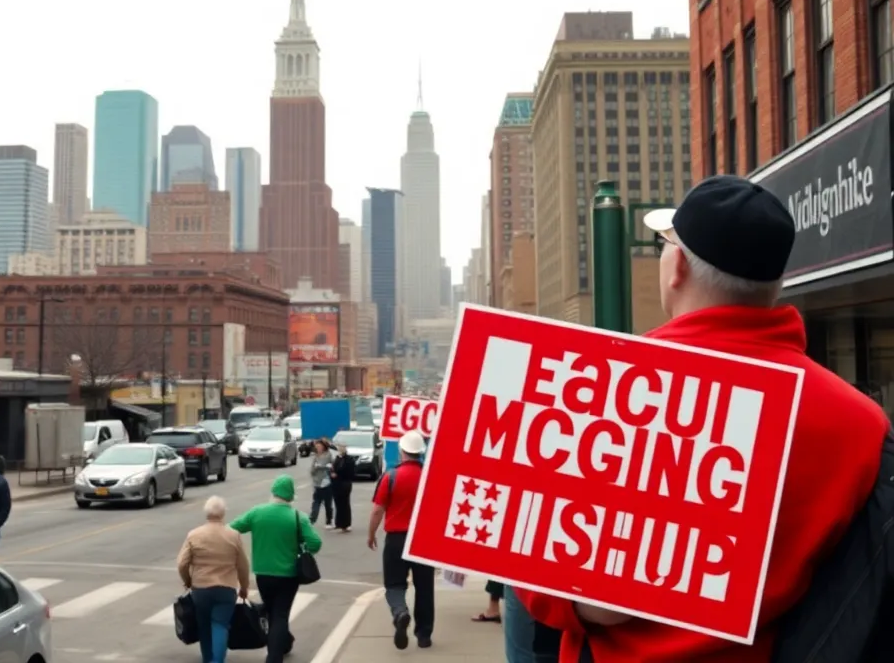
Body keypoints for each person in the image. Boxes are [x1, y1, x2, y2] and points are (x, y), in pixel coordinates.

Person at [515, 175, 891, 662]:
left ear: (676, 267)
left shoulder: (604, 391)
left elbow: (555, 595)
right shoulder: (862, 423)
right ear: (775, 285)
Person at [229, 475, 322, 663]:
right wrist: (301, 548)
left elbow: (231, 528)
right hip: (288, 575)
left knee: (272, 611)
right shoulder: (298, 517)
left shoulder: (257, 513)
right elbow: (315, 543)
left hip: (263, 573)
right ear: (290, 496)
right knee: (280, 614)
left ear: (273, 493)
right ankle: (274, 656)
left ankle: (284, 642)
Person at [367, 429, 434, 650]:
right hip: (424, 540)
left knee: (394, 584)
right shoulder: (430, 475)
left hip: (396, 539)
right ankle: (423, 636)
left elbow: (378, 510)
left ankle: (400, 612)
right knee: (425, 588)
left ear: (403, 451)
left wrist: (371, 534)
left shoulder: (391, 476)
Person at [176, 496, 250, 663]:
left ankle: (207, 658)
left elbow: (182, 563)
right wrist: (244, 587)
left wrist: (188, 580)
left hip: (200, 588)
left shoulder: (194, 535)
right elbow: (243, 566)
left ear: (206, 513)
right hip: (225, 588)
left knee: (204, 626)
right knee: (220, 624)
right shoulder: (234, 535)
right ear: (223, 513)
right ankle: (217, 660)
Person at [331, 443, 357, 533]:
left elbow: (349, 471)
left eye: (342, 447)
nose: (340, 449)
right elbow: (333, 468)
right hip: (336, 484)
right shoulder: (337, 458)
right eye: (339, 447)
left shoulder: (349, 459)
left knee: (345, 503)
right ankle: (339, 523)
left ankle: (346, 524)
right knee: (338, 503)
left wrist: (337, 474)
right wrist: (332, 472)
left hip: (345, 483)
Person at [308, 439, 334, 529]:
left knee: (328, 503)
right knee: (316, 502)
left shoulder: (328, 454)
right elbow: (312, 470)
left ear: (323, 447)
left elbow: (327, 465)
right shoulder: (315, 456)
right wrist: (316, 467)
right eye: (317, 447)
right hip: (317, 483)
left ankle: (329, 521)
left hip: (326, 482)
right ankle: (312, 519)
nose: (318, 448)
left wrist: (321, 466)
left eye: (319, 446)